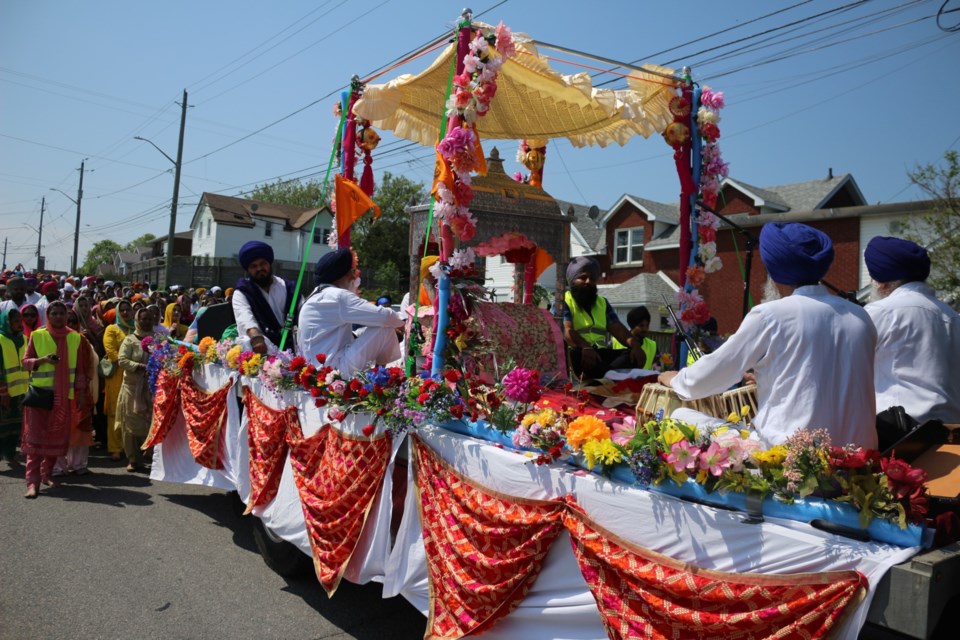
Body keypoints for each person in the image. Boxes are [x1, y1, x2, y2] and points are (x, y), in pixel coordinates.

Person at [658, 222, 877, 449]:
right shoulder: (860, 315)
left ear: (775, 272)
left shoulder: (772, 315)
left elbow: (712, 375)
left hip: (790, 456)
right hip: (858, 456)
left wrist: (676, 379)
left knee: (680, 416)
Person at [864, 236, 960, 425]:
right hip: (953, 431)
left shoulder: (881, 312)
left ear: (882, 284)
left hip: (901, 433)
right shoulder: (953, 316)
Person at [20, 301, 91, 498]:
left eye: (62, 313)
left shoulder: (75, 338)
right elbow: (25, 363)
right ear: (48, 315)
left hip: (63, 399)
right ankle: (32, 483)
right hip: (40, 397)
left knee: (56, 440)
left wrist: (82, 394)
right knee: (35, 442)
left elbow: (80, 370)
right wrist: (42, 360)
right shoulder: (37, 335)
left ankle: (46, 474)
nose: (59, 317)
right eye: (55, 313)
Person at [298, 248, 404, 376]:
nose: (354, 277)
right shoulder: (337, 296)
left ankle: (378, 374)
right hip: (334, 371)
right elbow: (386, 317)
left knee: (375, 327)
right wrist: (403, 323)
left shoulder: (314, 296)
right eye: (351, 272)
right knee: (384, 328)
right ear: (341, 275)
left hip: (314, 371)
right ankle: (379, 375)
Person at [562, 256, 632, 379]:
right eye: (583, 278)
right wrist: (586, 347)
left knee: (631, 355)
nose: (588, 281)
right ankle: (609, 376)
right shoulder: (563, 301)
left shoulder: (602, 303)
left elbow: (618, 329)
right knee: (576, 354)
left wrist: (635, 346)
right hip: (579, 354)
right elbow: (566, 330)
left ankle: (606, 376)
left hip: (599, 355)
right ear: (572, 281)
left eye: (592, 278)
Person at [232, 241, 301, 354]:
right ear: (247, 270)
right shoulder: (242, 292)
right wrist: (256, 337)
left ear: (269, 264)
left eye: (263, 263)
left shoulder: (288, 288)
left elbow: (303, 313)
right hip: (261, 350)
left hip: (293, 348)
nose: (259, 268)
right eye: (253, 266)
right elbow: (245, 317)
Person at [53, 310, 96, 476]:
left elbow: (90, 366)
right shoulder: (53, 338)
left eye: (73, 321)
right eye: (68, 321)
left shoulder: (82, 341)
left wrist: (83, 388)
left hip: (79, 392)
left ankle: (78, 464)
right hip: (58, 391)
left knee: (80, 429)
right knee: (58, 429)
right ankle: (57, 465)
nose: (70, 325)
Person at [117, 308, 154, 472]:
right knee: (130, 423)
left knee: (150, 421)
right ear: (137, 320)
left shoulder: (158, 340)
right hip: (132, 388)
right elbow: (122, 360)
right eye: (143, 319)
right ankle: (132, 458)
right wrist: (139, 366)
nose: (146, 322)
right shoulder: (130, 340)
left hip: (151, 387)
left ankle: (149, 453)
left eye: (149, 319)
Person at [103, 299, 135, 462]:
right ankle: (115, 448)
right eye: (121, 310)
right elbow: (111, 352)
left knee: (131, 411)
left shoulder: (136, 328)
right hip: (117, 375)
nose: (124, 313)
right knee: (115, 411)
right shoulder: (112, 329)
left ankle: (130, 447)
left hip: (134, 375)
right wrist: (130, 363)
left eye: (127, 310)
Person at [0, 307, 28, 467]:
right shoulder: (1, 339)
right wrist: (4, 393)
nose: (19, 324)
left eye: (20, 320)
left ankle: (10, 455)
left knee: (15, 425)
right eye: (15, 321)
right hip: (4, 392)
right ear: (7, 322)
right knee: (2, 426)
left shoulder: (24, 339)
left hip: (21, 391)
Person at [609, 306, 659, 371]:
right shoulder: (614, 342)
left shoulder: (653, 345)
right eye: (641, 325)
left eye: (647, 325)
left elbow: (658, 368)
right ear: (632, 326)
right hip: (619, 380)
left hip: (645, 381)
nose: (645, 329)